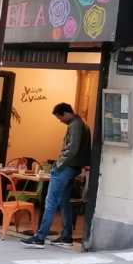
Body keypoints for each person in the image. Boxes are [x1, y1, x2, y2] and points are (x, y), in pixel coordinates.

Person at [22, 103, 91, 247]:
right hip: (73, 168)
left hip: (65, 168)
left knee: (51, 202)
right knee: (64, 202)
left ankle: (40, 237)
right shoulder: (81, 124)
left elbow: (72, 149)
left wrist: (58, 165)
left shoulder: (75, 125)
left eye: (60, 117)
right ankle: (66, 237)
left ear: (66, 113)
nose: (60, 121)